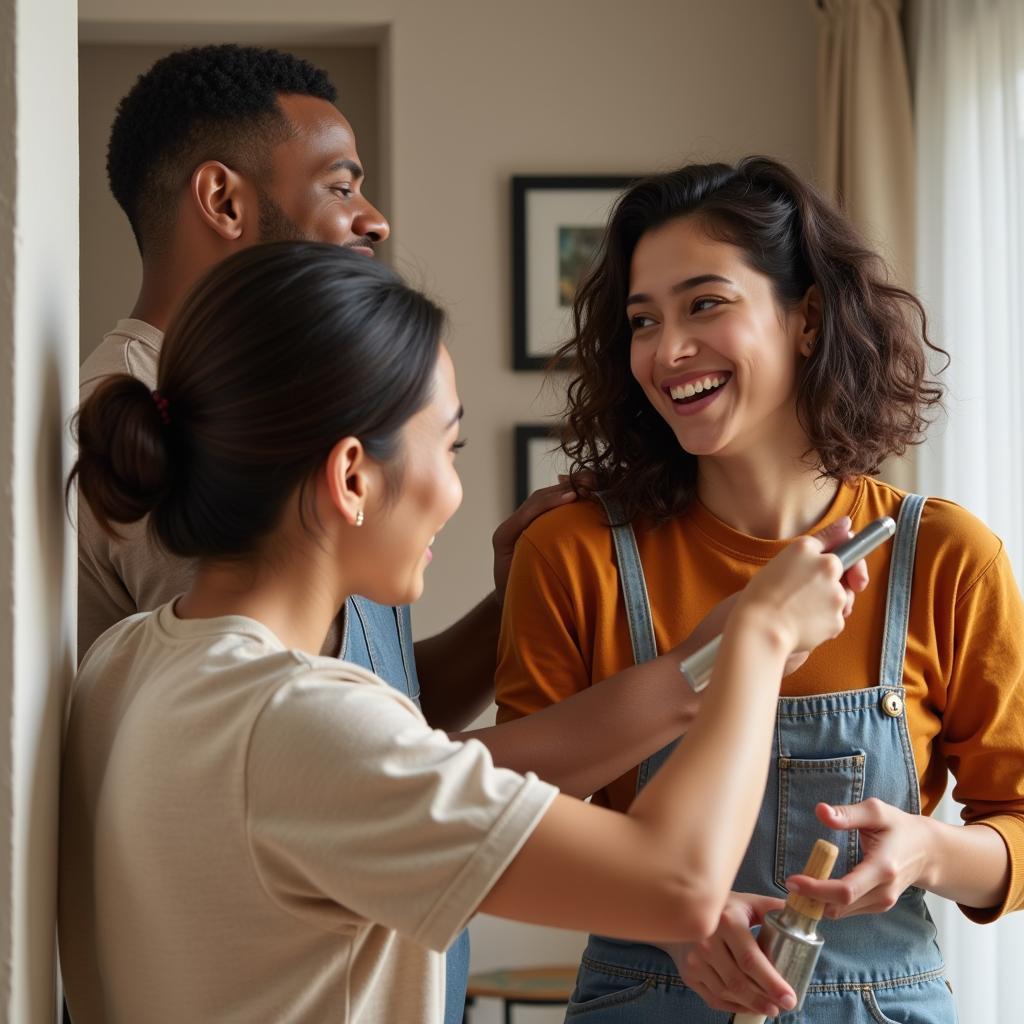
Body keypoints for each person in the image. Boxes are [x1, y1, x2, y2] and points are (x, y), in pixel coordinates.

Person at [59, 242, 858, 1024]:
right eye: (449, 446)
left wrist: (698, 665)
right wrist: (757, 639)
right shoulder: (301, 724)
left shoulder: (128, 664)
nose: (453, 488)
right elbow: (676, 884)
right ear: (351, 477)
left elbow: (439, 772)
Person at [494, 157, 1024, 1023]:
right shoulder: (572, 554)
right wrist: (672, 923)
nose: (667, 352)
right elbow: (508, 822)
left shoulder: (946, 557)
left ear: (806, 316)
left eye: (705, 304)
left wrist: (929, 851)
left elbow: (1018, 819)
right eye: (642, 320)